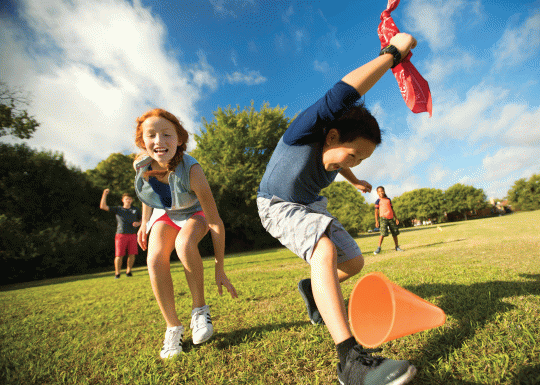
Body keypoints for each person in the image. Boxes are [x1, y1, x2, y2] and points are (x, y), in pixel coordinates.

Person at [257, 33, 418, 385]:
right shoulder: (303, 131)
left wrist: (354, 177)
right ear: (330, 136)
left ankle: (312, 289)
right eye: (353, 154)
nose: (354, 160)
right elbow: (344, 93)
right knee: (324, 249)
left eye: (362, 158)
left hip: (309, 206)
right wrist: (392, 54)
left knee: (353, 261)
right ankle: (349, 361)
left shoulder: (335, 153)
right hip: (277, 204)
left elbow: (338, 160)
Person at [133, 108, 237, 359]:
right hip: (167, 213)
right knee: (154, 259)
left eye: (167, 134)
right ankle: (173, 327)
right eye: (151, 135)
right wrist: (146, 221)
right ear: (142, 141)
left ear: (179, 139)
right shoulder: (140, 163)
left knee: (184, 244)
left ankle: (200, 310)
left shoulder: (192, 170)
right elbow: (148, 193)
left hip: (196, 214)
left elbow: (215, 222)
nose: (159, 141)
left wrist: (219, 267)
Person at [99, 190, 141, 279]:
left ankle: (129, 271)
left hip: (132, 234)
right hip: (120, 235)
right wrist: (104, 194)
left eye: (130, 199)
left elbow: (143, 219)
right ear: (123, 200)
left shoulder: (135, 209)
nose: (128, 200)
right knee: (119, 255)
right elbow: (103, 206)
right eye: (126, 199)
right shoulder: (118, 209)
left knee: (132, 254)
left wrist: (139, 223)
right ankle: (117, 273)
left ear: (132, 200)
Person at [373, 186, 403, 255]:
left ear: (384, 191)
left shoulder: (388, 199)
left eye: (382, 191)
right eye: (379, 191)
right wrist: (377, 221)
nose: (381, 192)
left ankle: (397, 247)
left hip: (391, 218)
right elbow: (376, 212)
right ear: (377, 193)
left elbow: (392, 209)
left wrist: (396, 218)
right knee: (383, 233)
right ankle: (378, 248)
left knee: (395, 233)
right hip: (383, 219)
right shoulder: (378, 201)